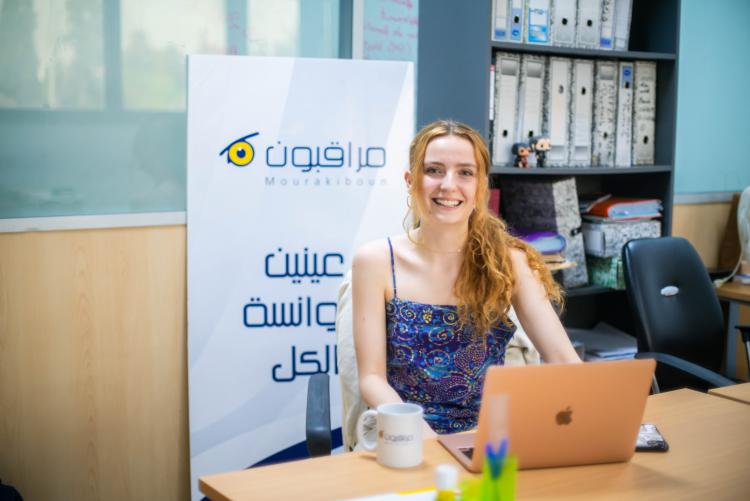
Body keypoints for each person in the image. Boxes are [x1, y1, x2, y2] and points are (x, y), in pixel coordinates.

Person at [351, 120, 581, 438]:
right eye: (433, 170)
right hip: (405, 436)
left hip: (490, 439)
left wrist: (594, 418)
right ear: (410, 180)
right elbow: (371, 379)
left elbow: (562, 359)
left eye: (465, 172)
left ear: (481, 186)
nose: (448, 184)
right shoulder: (374, 261)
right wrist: (425, 439)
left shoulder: (508, 262)